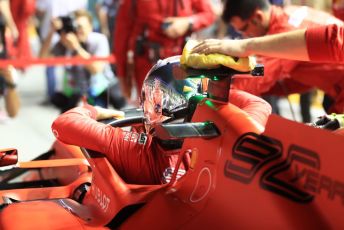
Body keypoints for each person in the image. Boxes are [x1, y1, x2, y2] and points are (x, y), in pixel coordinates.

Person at [51, 56, 271, 185]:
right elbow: (260, 106)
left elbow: (63, 123)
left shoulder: (132, 148)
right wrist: (209, 96)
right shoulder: (226, 145)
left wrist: (95, 111)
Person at [216, 0, 344, 115]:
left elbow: (259, 74)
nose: (246, 35)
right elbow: (304, 73)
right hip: (334, 93)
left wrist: (220, 90)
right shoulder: (290, 12)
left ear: (258, 17)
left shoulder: (283, 33)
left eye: (244, 29)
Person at [113, 0, 216, 101]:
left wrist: (189, 22)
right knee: (153, 111)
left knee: (187, 108)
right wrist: (122, 76)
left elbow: (209, 14)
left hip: (183, 64)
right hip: (147, 67)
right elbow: (121, 35)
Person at [40, 9, 125, 113]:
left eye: (80, 27)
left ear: (90, 27)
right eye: (75, 27)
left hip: (99, 93)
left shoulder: (99, 40)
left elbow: (96, 69)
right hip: (76, 95)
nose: (77, 31)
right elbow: (43, 58)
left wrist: (76, 48)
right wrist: (52, 31)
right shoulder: (67, 41)